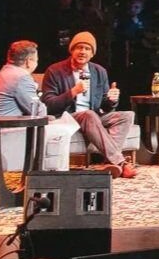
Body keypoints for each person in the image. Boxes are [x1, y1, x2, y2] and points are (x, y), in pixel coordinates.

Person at [42, 31, 136, 178]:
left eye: (87, 49)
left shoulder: (99, 71)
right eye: (79, 48)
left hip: (93, 117)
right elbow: (48, 105)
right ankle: (120, 162)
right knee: (89, 114)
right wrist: (72, 92)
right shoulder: (54, 71)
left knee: (127, 115)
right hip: (67, 117)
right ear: (72, 50)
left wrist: (112, 99)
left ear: (92, 54)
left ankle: (110, 162)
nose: (82, 52)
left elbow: (105, 105)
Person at [0, 40, 43, 120]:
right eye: (36, 60)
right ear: (28, 62)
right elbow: (38, 112)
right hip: (9, 129)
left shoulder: (4, 73)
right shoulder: (21, 77)